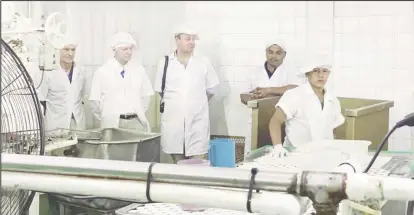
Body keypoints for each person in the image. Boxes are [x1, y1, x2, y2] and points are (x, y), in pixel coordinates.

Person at [154, 25, 219, 164]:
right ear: (177, 40)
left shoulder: (203, 62)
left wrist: (195, 103)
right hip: (173, 124)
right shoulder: (164, 62)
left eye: (194, 39)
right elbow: (160, 90)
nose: (192, 42)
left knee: (197, 163)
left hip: (197, 123)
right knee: (177, 164)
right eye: (188, 39)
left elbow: (212, 89)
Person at [268, 56, 345, 157]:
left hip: (323, 156)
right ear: (307, 74)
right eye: (316, 71)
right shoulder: (294, 95)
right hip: (296, 155)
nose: (321, 75)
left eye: (325, 71)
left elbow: (333, 129)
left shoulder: (333, 101)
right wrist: (278, 147)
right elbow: (275, 121)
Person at [240, 38, 303, 158]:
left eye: (278, 53)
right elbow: (243, 94)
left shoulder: (291, 71)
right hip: (256, 121)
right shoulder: (254, 72)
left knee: (278, 156)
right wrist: (254, 98)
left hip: (282, 122)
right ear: (266, 52)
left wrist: (268, 91)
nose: (273, 56)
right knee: (253, 156)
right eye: (270, 52)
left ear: (285, 55)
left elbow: (296, 88)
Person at [89, 32, 154, 132]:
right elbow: (95, 102)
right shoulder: (102, 72)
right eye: (124, 49)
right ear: (114, 51)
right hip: (112, 124)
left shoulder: (139, 70)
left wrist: (137, 112)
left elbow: (147, 96)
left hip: (136, 122)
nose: (128, 52)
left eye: (130, 49)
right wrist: (108, 115)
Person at [37, 38, 87, 135]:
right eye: (66, 49)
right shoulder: (48, 72)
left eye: (73, 50)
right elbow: (41, 98)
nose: (70, 53)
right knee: (57, 148)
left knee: (79, 148)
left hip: (77, 122)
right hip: (56, 123)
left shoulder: (81, 70)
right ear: (57, 50)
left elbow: (82, 94)